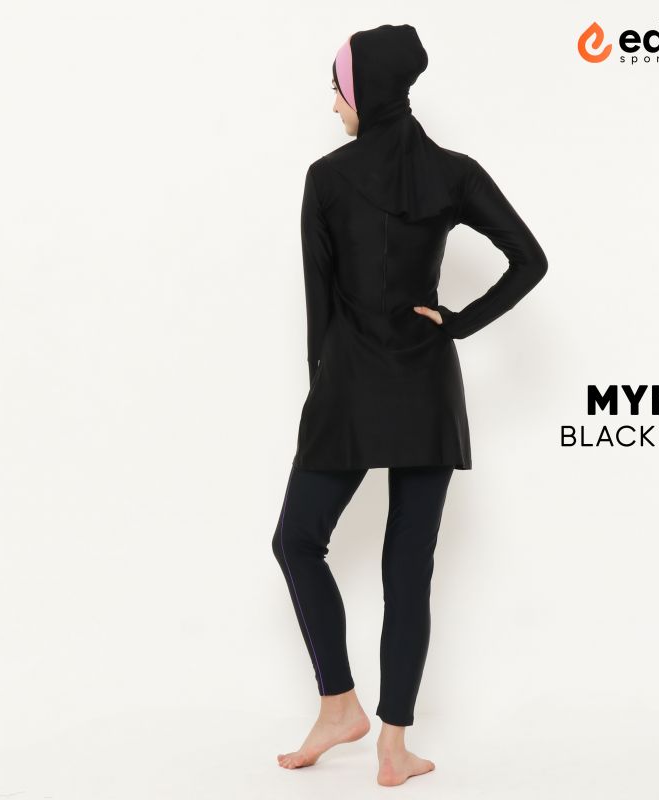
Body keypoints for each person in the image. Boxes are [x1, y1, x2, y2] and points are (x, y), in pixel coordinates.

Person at [272, 24, 548, 787]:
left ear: (367, 89)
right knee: (407, 569)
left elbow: (319, 309)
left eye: (338, 87)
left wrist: (319, 395)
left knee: (298, 540)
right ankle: (390, 744)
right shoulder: (453, 173)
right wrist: (455, 324)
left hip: (350, 387)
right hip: (427, 390)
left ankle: (341, 706)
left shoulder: (326, 178)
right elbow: (530, 260)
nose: (334, 104)